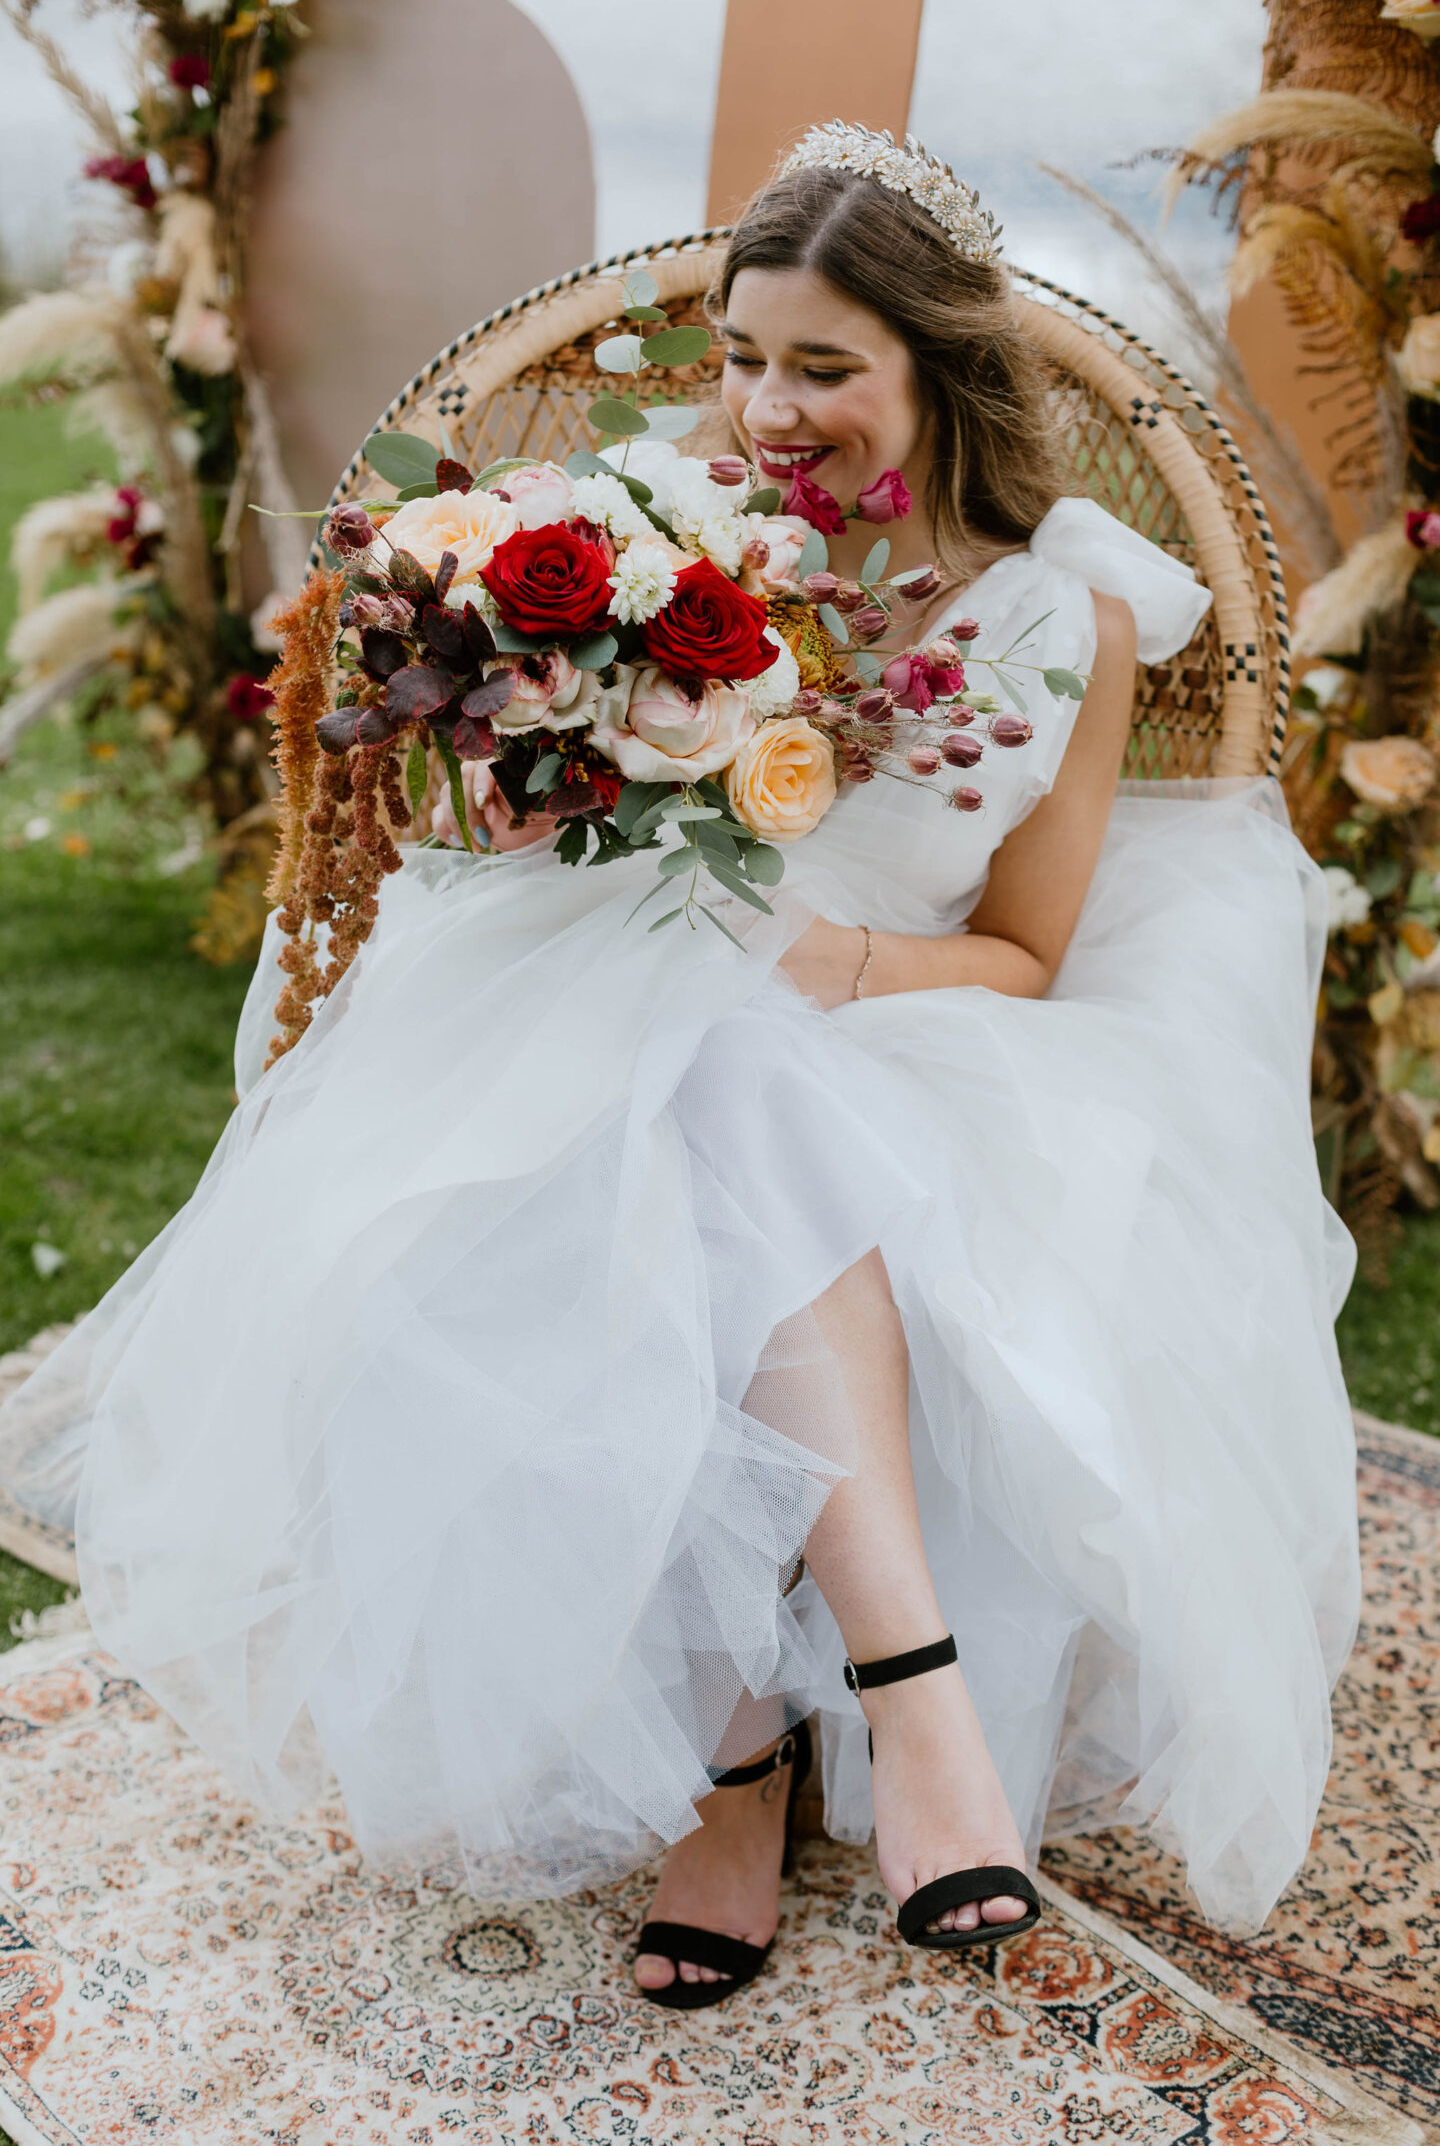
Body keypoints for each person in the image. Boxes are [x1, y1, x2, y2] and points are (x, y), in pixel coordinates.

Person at [0, 126, 1360, 2014]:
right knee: (707, 1064)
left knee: (741, 1073)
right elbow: (509, 832)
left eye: (824, 366)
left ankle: (744, 1768)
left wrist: (818, 963)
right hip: (600, 1011)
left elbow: (1028, 959)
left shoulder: (1073, 618)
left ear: (940, 369)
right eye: (742, 357)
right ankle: (913, 1698)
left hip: (911, 1040)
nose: (766, 409)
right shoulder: (653, 538)